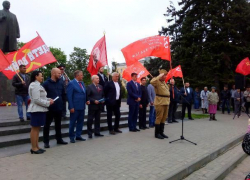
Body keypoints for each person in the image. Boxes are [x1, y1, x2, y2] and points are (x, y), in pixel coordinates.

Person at [27, 71, 54, 154]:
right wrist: (47, 103)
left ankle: (37, 146)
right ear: (36, 76)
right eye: (41, 76)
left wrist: (48, 99)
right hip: (36, 109)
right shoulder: (34, 85)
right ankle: (33, 148)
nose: (42, 77)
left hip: (40, 109)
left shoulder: (38, 85)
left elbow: (42, 97)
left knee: (37, 128)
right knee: (35, 128)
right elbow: (36, 99)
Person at [42, 68, 68, 148]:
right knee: (47, 125)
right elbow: (42, 96)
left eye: (60, 73)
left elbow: (63, 94)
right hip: (49, 108)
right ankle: (46, 141)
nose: (60, 75)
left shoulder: (60, 83)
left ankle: (59, 139)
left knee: (58, 124)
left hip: (59, 107)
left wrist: (64, 107)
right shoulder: (46, 84)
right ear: (53, 73)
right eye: (59, 73)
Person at [67, 70, 89, 143]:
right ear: (77, 76)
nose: (82, 76)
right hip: (75, 107)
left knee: (80, 122)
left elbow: (84, 93)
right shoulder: (71, 83)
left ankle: (78, 135)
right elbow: (69, 96)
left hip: (82, 106)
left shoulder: (82, 83)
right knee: (73, 122)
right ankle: (71, 137)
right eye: (81, 75)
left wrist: (86, 100)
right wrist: (71, 107)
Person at [150, 69, 170, 139]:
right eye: (164, 75)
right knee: (159, 117)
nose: (165, 77)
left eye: (165, 75)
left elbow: (166, 90)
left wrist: (171, 84)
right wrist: (159, 76)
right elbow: (151, 81)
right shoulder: (157, 81)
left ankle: (161, 132)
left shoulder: (164, 82)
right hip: (160, 102)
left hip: (166, 101)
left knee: (164, 117)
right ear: (161, 75)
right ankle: (157, 133)